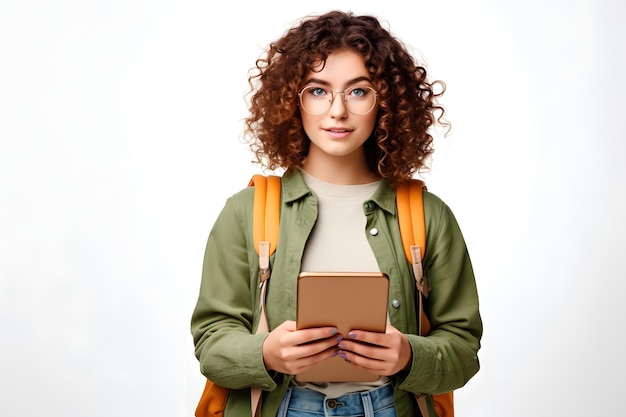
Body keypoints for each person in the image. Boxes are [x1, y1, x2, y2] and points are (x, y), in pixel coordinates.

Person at [191, 10, 482, 417]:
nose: (338, 111)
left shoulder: (428, 215)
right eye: (318, 90)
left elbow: (464, 349)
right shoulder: (247, 211)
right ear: (292, 99)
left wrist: (408, 355)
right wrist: (267, 353)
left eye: (359, 91)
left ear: (388, 102)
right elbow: (210, 343)